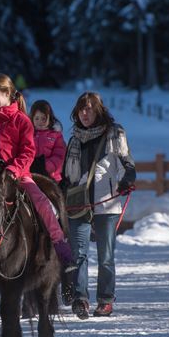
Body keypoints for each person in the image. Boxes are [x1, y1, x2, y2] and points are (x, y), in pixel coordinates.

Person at [0, 73, 74, 273]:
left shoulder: (21, 120)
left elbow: (28, 151)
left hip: (18, 175)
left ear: (7, 93)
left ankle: (59, 244)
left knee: (43, 203)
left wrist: (13, 169)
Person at [61, 91, 136, 319]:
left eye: (90, 108)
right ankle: (81, 299)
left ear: (99, 110)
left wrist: (127, 180)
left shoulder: (115, 133)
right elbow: (67, 175)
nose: (85, 113)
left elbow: (127, 163)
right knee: (79, 254)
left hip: (107, 203)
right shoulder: (74, 139)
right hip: (78, 204)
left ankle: (105, 299)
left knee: (105, 256)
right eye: (82, 109)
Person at [29, 99, 67, 183]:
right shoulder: (28, 134)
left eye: (43, 119)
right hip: (30, 174)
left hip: (50, 176)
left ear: (50, 118)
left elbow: (59, 156)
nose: (40, 122)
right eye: (37, 118)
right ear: (32, 118)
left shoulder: (56, 135)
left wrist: (46, 167)